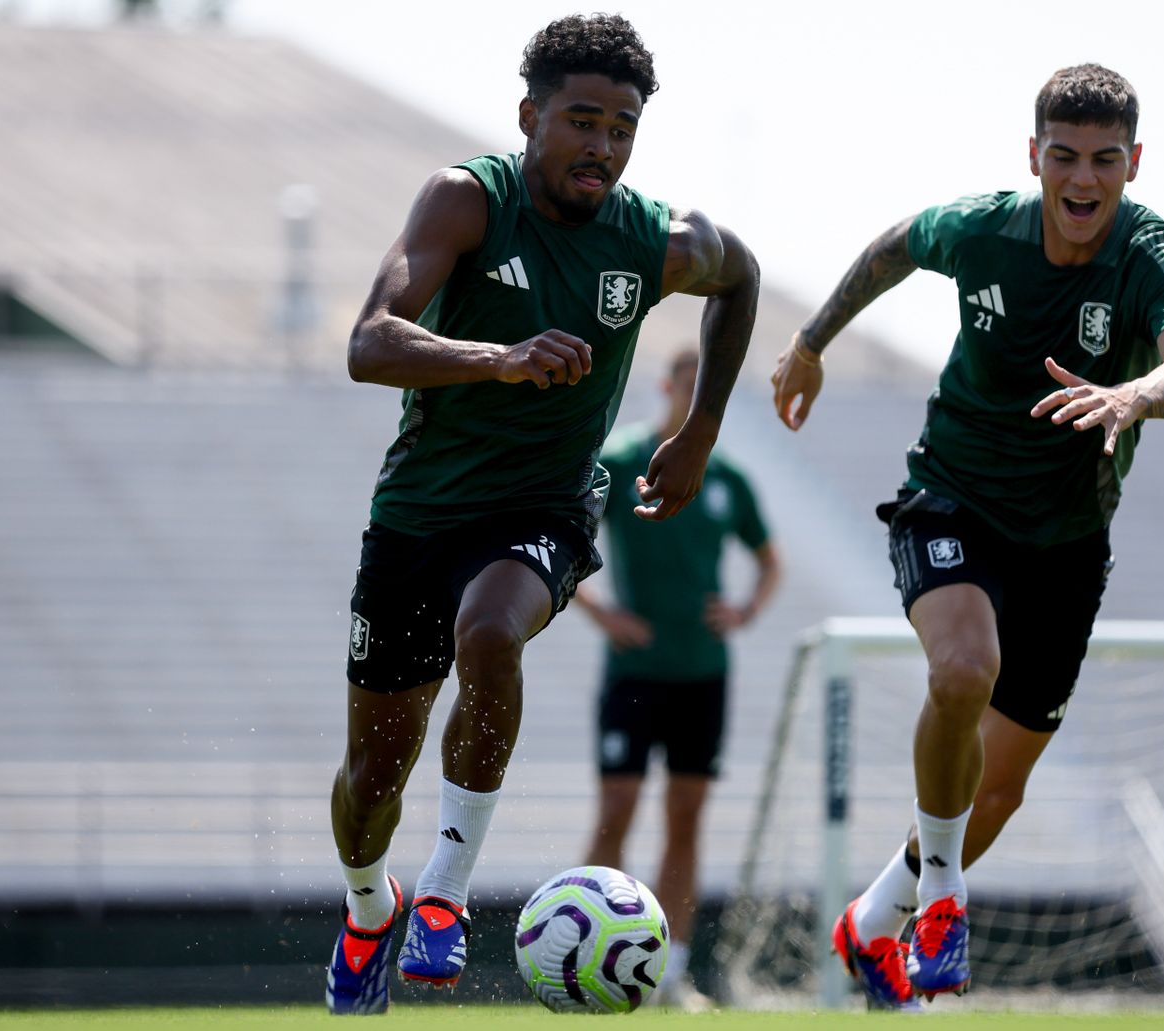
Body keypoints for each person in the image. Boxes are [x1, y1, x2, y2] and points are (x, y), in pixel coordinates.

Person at [323, 14, 760, 1016]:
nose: (601, 147)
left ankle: (444, 890)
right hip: (416, 517)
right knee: (369, 778)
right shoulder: (466, 200)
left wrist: (698, 429)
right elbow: (368, 342)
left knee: (490, 629)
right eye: (581, 121)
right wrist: (500, 357)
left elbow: (742, 278)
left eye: (622, 127)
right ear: (531, 116)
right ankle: (366, 903)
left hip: (544, 509)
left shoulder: (655, 239)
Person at [769, 63, 1164, 1008]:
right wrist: (810, 341)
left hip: (1069, 540)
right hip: (953, 501)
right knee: (961, 670)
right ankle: (942, 896)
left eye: (1104, 159)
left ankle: (874, 921)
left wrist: (1132, 395)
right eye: (1064, 156)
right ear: (1035, 157)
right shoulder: (983, 226)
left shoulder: (1156, 256)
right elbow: (896, 245)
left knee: (1002, 789)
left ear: (1134, 162)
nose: (1083, 179)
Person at [575, 346, 781, 1010]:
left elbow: (769, 559)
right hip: (633, 671)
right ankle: (587, 954)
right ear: (666, 386)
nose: (697, 403)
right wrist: (602, 612)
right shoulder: (624, 458)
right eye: (689, 387)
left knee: (686, 818)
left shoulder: (726, 476)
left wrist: (746, 608)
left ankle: (671, 970)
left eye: (708, 393)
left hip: (704, 673)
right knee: (616, 812)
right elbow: (566, 534)